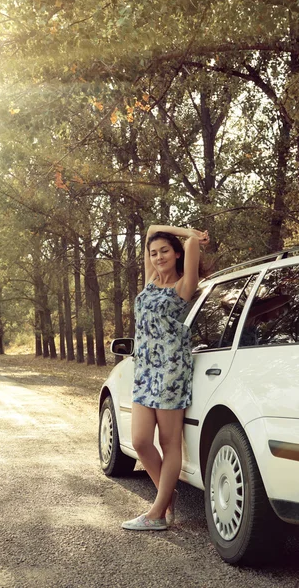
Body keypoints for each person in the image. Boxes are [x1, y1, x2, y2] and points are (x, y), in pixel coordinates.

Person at [122, 224, 209, 531]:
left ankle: (158, 513)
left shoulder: (184, 285)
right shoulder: (150, 281)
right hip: (144, 370)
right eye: (153, 253)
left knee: (170, 443)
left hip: (171, 371)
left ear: (177, 255)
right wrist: (181, 229)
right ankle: (165, 499)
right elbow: (148, 230)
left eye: (165, 252)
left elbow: (190, 243)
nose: (158, 257)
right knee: (141, 441)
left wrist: (192, 236)